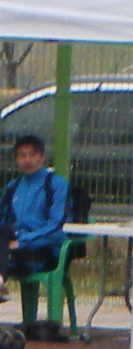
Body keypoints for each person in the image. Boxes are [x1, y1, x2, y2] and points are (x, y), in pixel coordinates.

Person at [1, 134, 69, 337]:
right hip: (13, 248)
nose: (27, 160)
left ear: (42, 157)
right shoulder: (13, 187)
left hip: (44, 249)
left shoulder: (56, 184)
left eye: (32, 155)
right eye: (22, 155)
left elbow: (56, 224)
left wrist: (24, 240)